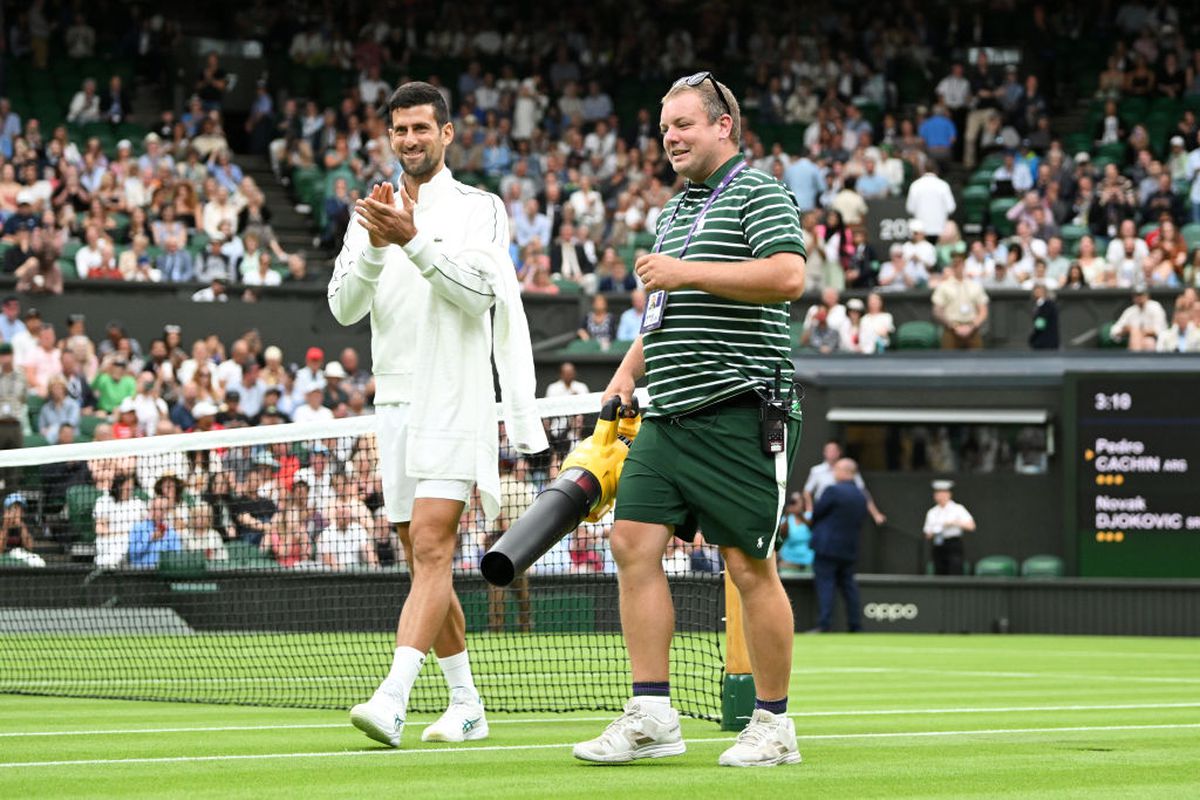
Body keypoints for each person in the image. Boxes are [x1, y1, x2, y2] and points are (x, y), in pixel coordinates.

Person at [574, 72, 806, 768]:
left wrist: (688, 270)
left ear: (722, 127)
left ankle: (773, 726)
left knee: (748, 565)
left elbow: (789, 276)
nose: (671, 137)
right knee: (630, 545)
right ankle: (651, 715)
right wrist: (622, 375)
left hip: (739, 412)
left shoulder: (759, 192)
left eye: (684, 125)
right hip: (666, 418)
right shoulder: (672, 214)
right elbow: (662, 316)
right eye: (665, 128)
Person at [329, 82, 546, 749]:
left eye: (422, 128)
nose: (410, 140)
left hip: (455, 396)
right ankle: (466, 703)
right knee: (421, 555)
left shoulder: (481, 209)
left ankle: (393, 695)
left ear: (447, 134)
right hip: (393, 400)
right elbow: (343, 309)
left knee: (431, 545)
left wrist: (413, 239)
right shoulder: (373, 210)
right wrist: (374, 240)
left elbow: (478, 295)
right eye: (399, 130)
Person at [809, 458, 868, 632]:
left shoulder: (832, 491)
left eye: (836, 470)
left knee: (825, 585)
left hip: (827, 547)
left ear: (845, 472)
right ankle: (855, 625)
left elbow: (817, 513)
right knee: (849, 586)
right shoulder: (860, 495)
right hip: (849, 548)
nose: (834, 473)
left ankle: (824, 624)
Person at [802, 440, 887, 526]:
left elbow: (862, 491)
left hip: (845, 513)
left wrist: (876, 514)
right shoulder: (816, 471)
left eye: (834, 451)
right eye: (829, 450)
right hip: (823, 512)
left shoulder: (848, 468)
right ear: (824, 453)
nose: (831, 453)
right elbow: (807, 491)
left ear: (839, 452)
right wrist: (810, 510)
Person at [923, 479, 975, 576]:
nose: (940, 496)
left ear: (949, 494)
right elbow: (927, 534)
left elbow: (971, 526)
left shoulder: (958, 509)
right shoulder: (932, 512)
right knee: (939, 572)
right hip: (938, 544)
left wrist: (955, 523)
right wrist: (936, 530)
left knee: (955, 570)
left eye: (943, 493)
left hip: (953, 544)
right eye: (938, 493)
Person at [776, 492, 812, 573]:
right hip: (789, 562)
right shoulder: (786, 519)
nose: (795, 504)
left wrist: (801, 514)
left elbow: (811, 525)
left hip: (807, 562)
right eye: (793, 501)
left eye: (797, 501)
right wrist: (787, 513)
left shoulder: (807, 517)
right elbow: (781, 534)